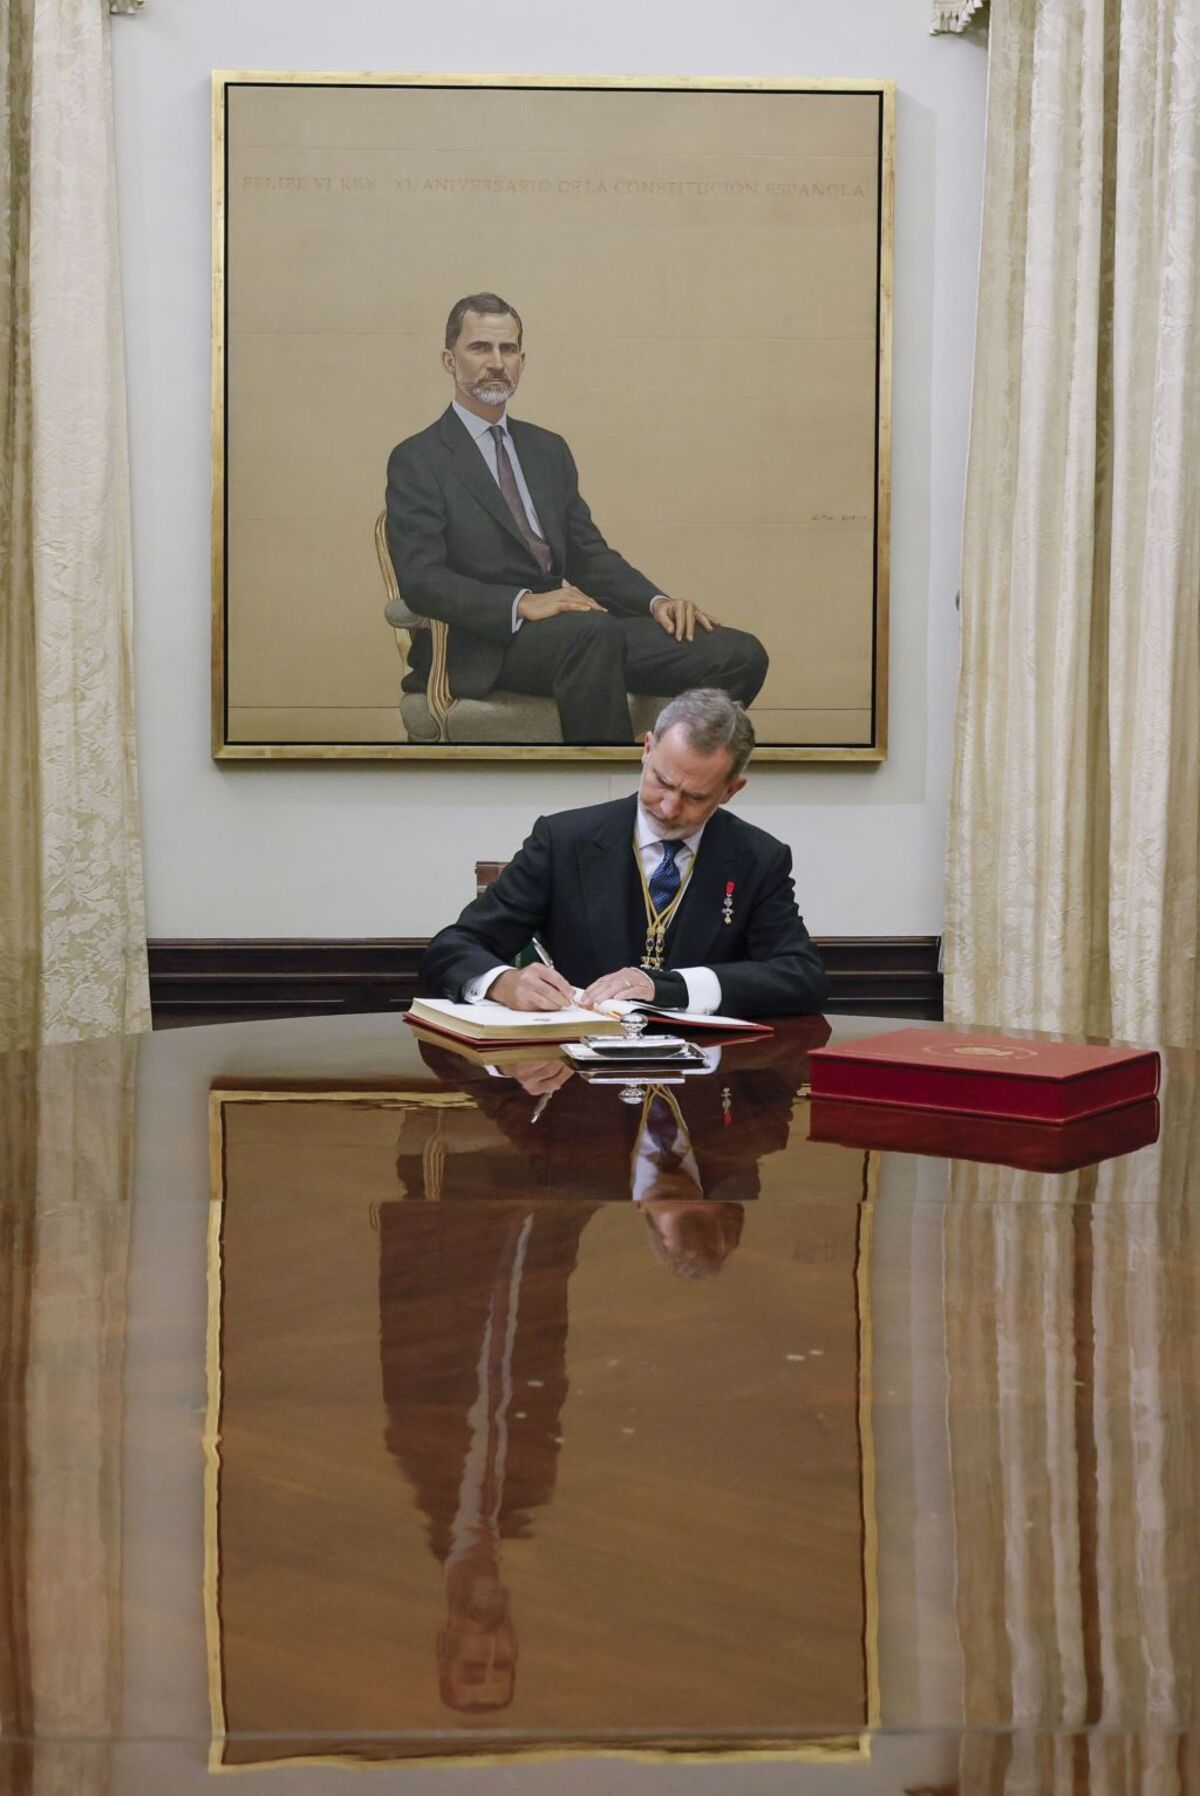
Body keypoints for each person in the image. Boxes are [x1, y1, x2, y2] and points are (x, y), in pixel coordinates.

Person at [385, 292, 769, 744]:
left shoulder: (547, 450)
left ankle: (669, 773)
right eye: (480, 348)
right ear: (450, 360)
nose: (496, 362)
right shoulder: (419, 458)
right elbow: (422, 579)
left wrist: (656, 602)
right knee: (591, 632)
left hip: (581, 632)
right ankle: (603, 795)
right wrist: (522, 603)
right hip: (487, 645)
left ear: (522, 361)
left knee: (739, 653)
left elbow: (589, 555)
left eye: (508, 350)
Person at [422, 688, 829, 1018]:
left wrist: (675, 988)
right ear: (647, 749)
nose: (669, 808)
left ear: (730, 791)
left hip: (706, 1086)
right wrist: (502, 983)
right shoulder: (564, 840)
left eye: (695, 797)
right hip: (579, 1082)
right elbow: (452, 947)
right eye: (662, 782)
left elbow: (801, 977)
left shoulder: (757, 858)